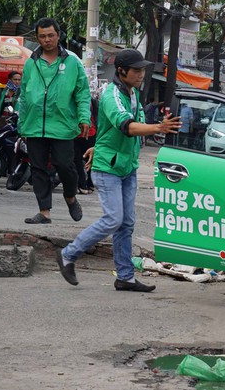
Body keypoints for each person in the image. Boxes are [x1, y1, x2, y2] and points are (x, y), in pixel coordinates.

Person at [56, 49, 182, 291]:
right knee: (114, 219)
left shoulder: (132, 94)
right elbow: (127, 127)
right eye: (136, 70)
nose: (141, 74)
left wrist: (154, 131)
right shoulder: (112, 95)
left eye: (143, 70)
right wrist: (160, 127)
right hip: (108, 168)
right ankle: (67, 254)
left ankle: (125, 277)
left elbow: (132, 126)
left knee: (126, 223)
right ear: (121, 71)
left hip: (127, 166)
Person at [18, 18, 91, 224]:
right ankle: (44, 212)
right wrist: (22, 123)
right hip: (34, 125)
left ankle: (70, 196)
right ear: (37, 37)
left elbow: (82, 93)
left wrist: (84, 117)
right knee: (38, 168)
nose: (47, 39)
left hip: (62, 124)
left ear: (58, 35)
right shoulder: (31, 62)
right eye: (42, 36)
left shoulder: (73, 61)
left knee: (65, 165)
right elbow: (24, 94)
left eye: (51, 35)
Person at [74, 96, 98, 194]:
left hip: (79, 133)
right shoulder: (90, 100)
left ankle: (83, 185)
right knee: (89, 159)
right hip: (91, 132)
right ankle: (90, 185)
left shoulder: (77, 100)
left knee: (77, 160)